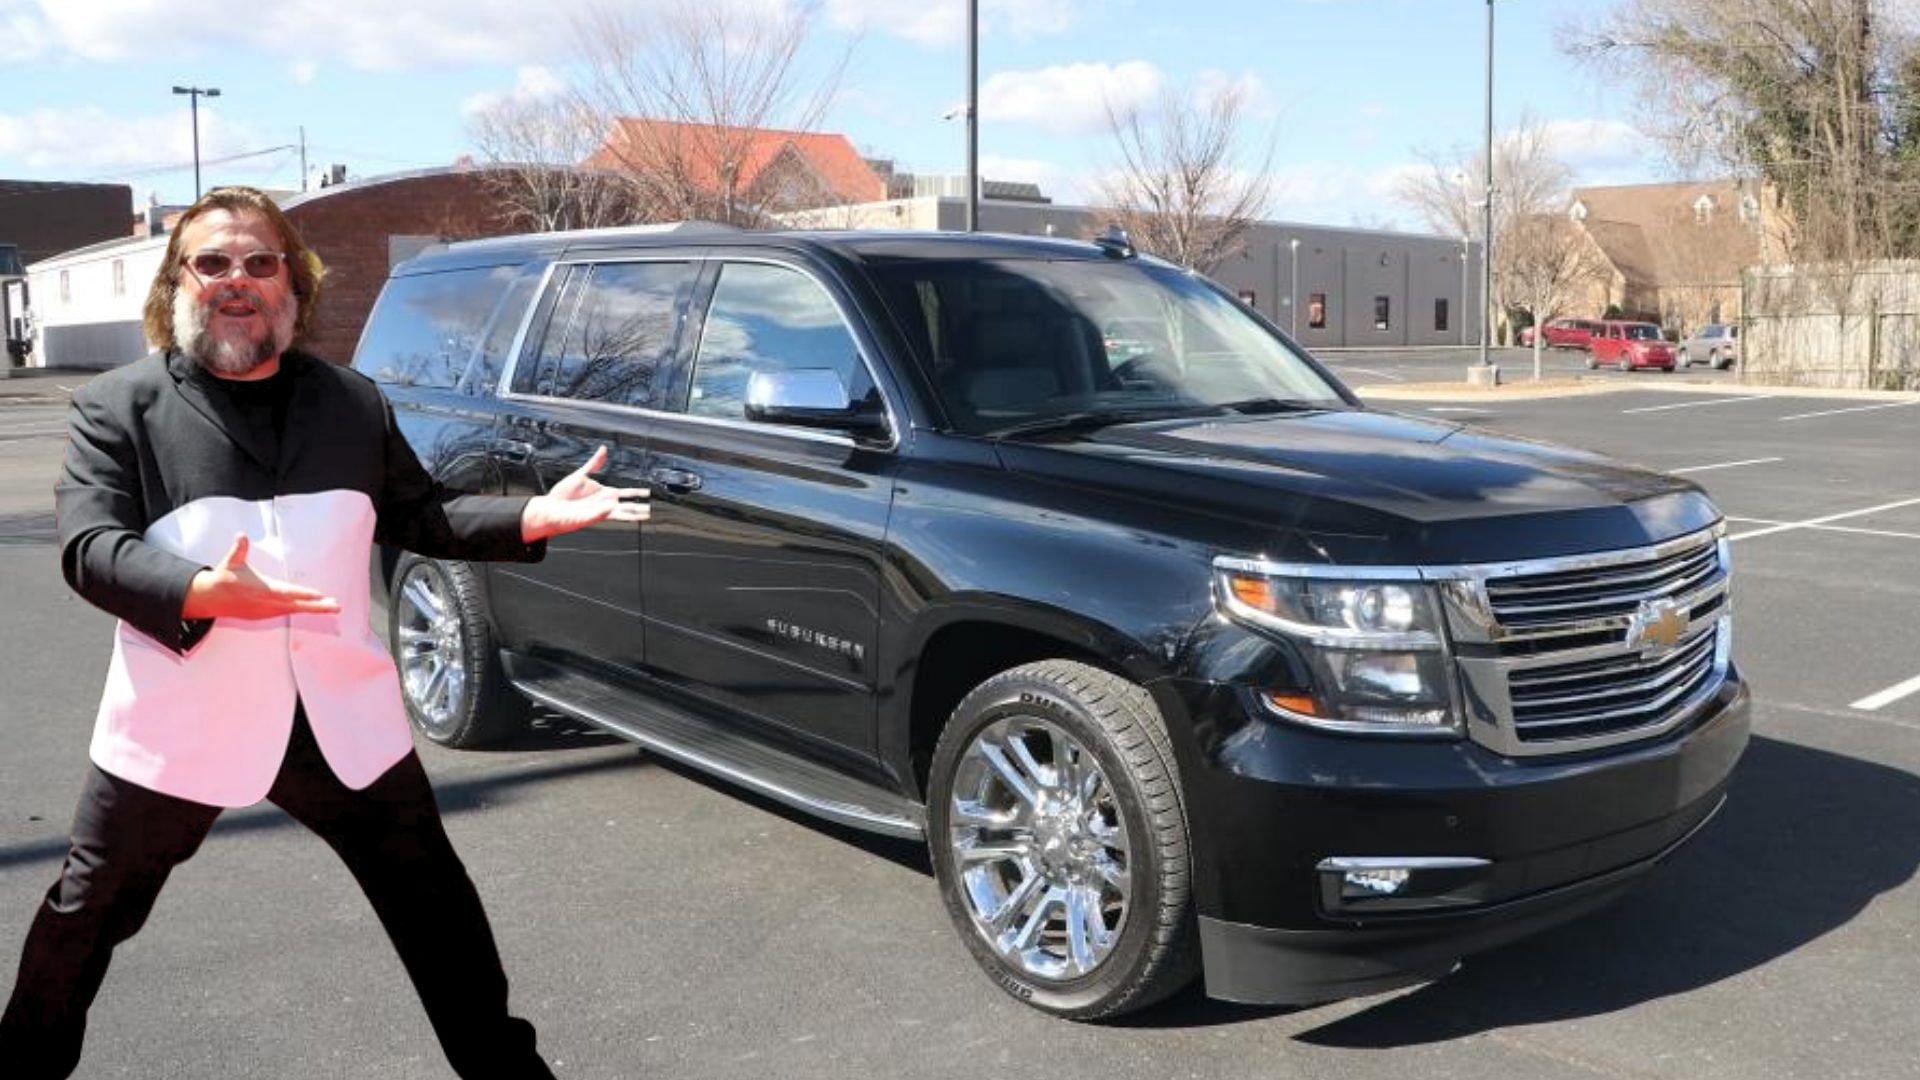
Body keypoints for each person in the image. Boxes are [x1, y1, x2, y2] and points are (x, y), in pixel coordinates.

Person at [0, 185, 646, 1078]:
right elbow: (89, 546)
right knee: (88, 911)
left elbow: (426, 514)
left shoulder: (351, 402)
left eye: (261, 262)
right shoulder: (120, 407)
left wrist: (532, 514)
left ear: (292, 287)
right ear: (177, 283)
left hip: (340, 719)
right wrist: (198, 588)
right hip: (183, 717)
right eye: (212, 262)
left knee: (438, 912)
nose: (237, 279)